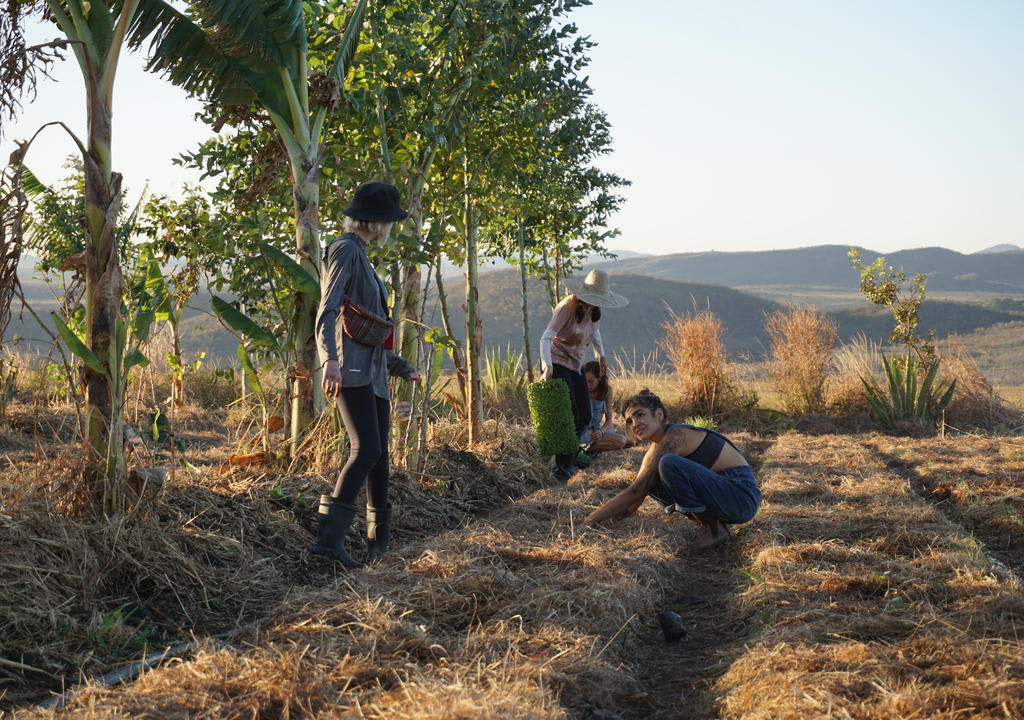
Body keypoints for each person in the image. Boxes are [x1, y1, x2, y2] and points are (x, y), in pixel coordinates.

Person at [313, 181, 420, 569]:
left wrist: (398, 366)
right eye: (389, 221)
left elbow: (369, 324)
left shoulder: (361, 254)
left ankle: (379, 544)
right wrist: (330, 360)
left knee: (380, 457)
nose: (391, 228)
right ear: (377, 222)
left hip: (372, 371)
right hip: (350, 369)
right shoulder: (345, 250)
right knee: (366, 449)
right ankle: (328, 544)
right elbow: (328, 310)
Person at [583, 389, 760, 551]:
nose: (635, 423)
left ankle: (714, 530)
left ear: (659, 414)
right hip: (723, 496)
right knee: (652, 479)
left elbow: (635, 491)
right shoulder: (654, 451)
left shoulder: (676, 435)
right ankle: (712, 526)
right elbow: (637, 496)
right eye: (630, 421)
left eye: (640, 415)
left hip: (741, 495)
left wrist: (591, 519)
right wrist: (602, 524)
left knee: (668, 464)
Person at [539, 269, 628, 482]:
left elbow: (595, 333)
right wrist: (547, 366)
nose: (593, 304)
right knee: (570, 413)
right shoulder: (566, 308)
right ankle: (562, 468)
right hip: (558, 361)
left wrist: (601, 356)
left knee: (584, 416)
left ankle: (569, 460)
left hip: (575, 364)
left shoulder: (594, 312)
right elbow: (546, 337)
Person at [580, 360, 629, 454]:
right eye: (585, 381)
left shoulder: (606, 390)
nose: (587, 385)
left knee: (630, 438)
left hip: (597, 431)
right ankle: (583, 449)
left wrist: (601, 432)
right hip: (582, 432)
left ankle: (589, 447)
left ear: (599, 378)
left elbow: (609, 421)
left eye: (590, 381)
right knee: (621, 440)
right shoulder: (580, 389)